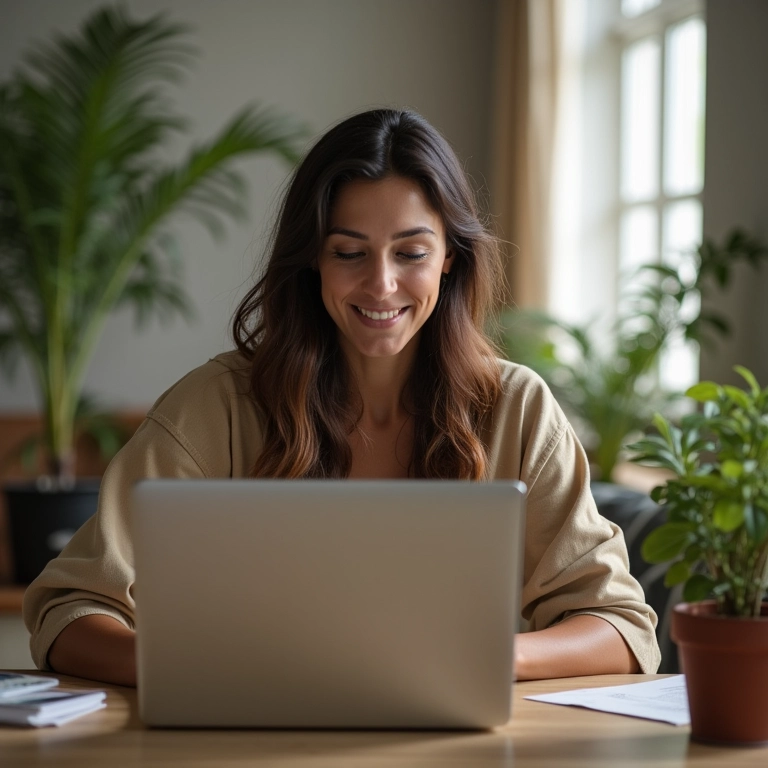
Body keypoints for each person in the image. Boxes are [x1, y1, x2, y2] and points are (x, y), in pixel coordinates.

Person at [23, 108, 661, 687]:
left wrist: (493, 659)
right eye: (349, 252)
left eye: (411, 251)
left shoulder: (516, 407)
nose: (380, 284)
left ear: (449, 259)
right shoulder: (213, 407)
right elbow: (69, 608)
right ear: (312, 263)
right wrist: (197, 672)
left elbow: (621, 627)